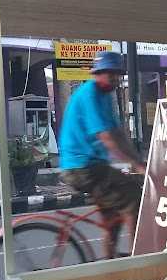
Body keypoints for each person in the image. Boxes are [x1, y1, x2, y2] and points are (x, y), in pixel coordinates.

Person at [59, 51, 145, 258]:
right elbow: (106, 138)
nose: (115, 78)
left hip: (92, 166)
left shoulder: (105, 96)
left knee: (113, 216)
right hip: (83, 168)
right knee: (135, 198)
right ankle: (139, 258)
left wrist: (138, 161)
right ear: (98, 73)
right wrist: (136, 165)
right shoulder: (90, 94)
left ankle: (109, 262)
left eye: (117, 74)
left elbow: (118, 134)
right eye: (110, 74)